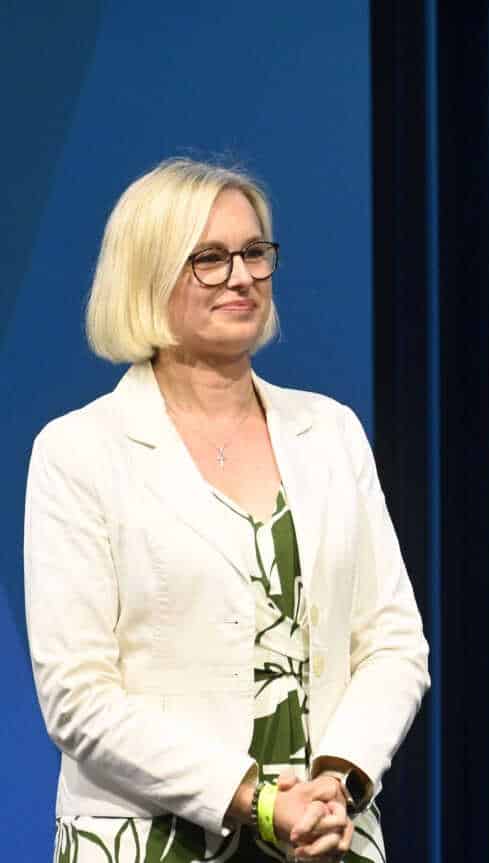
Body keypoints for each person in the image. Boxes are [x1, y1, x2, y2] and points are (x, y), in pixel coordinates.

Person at [24, 158, 429, 862]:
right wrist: (261, 801)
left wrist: (336, 781)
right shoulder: (80, 452)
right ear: (147, 275)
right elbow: (77, 695)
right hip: (148, 840)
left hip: (327, 839)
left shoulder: (330, 432)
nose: (241, 276)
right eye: (209, 258)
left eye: (253, 253)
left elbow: (393, 641)